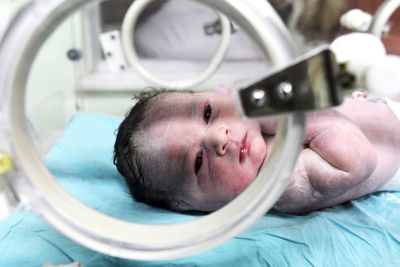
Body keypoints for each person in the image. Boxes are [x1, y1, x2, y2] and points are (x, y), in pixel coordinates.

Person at [113, 89, 400, 214]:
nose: (218, 137)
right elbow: (359, 160)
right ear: (192, 206)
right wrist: (293, 117)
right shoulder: (278, 184)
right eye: (198, 162)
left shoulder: (253, 125)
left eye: (208, 112)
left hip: (383, 105)